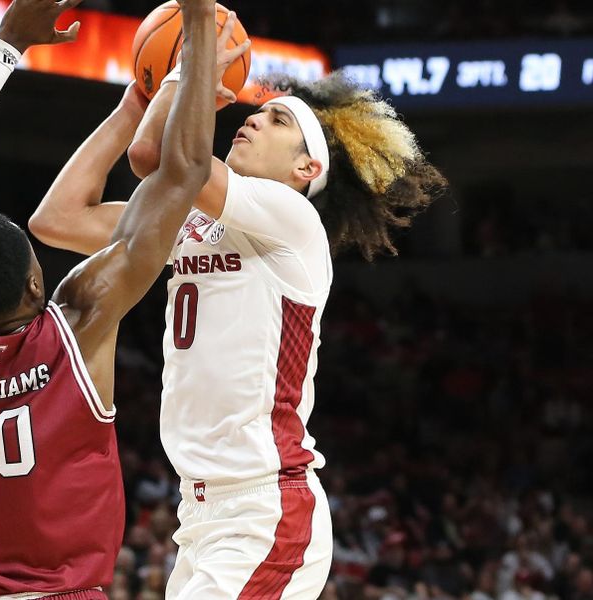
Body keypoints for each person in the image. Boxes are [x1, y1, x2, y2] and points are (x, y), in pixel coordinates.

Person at [30, 14, 446, 597]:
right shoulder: (192, 225)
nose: (252, 116)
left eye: (278, 120)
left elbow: (159, 158)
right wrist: (134, 100)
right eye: (261, 110)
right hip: (200, 513)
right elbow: (57, 220)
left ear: (308, 169)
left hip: (264, 508)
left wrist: (189, 62)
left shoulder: (293, 222)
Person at [0, 0, 218, 597]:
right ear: (33, 283)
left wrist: (4, 49)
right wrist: (199, 25)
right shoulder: (77, 324)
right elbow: (182, 176)